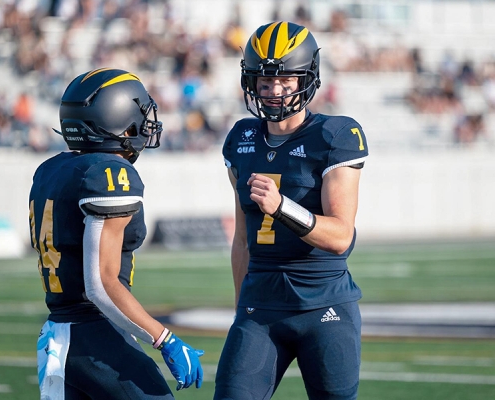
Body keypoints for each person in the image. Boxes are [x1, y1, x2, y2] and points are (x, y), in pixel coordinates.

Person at [214, 21, 369, 400]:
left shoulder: (334, 135)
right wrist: (241, 310)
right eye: (264, 82)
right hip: (261, 305)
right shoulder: (242, 138)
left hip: (325, 304)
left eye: (285, 79)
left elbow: (340, 237)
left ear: (307, 78)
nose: (274, 90)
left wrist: (283, 206)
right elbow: (242, 242)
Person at [29, 68, 204, 399]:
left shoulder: (51, 169)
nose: (145, 122)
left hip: (58, 332)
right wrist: (164, 338)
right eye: (139, 112)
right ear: (116, 117)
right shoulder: (109, 174)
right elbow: (101, 285)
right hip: (94, 336)